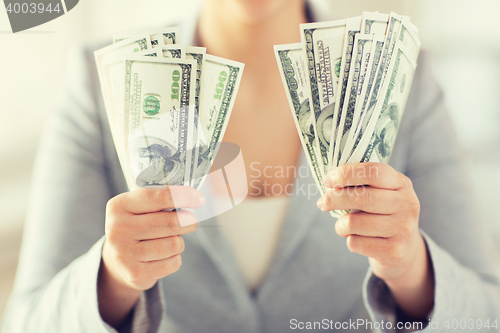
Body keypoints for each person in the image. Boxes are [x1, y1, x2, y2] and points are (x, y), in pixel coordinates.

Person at [2, 0, 500, 332]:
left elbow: (485, 314)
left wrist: (411, 267)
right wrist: (112, 277)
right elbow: (27, 321)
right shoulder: (100, 82)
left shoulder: (403, 78)